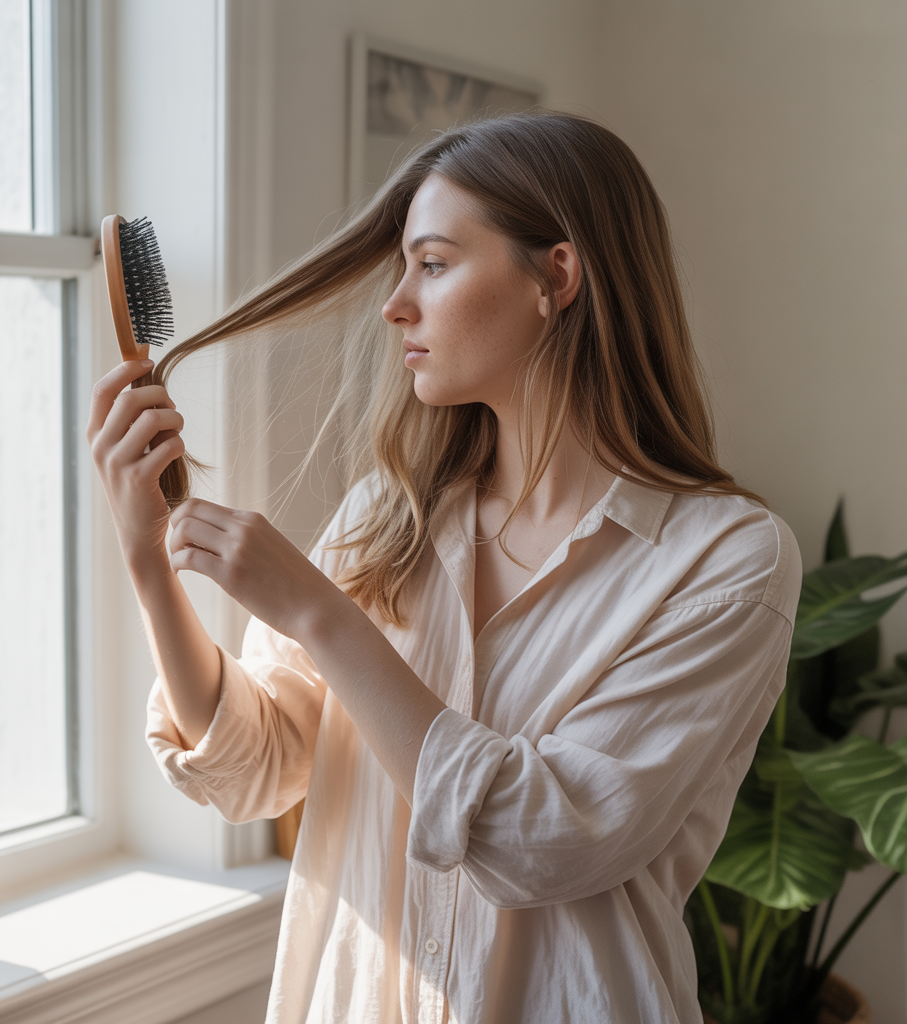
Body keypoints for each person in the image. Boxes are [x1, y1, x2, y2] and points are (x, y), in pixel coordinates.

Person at [87, 111, 801, 1024]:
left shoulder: (724, 563)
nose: (395, 304)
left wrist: (320, 615)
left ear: (558, 276)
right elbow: (255, 769)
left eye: (432, 263)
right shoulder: (391, 513)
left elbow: (540, 842)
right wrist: (151, 563)